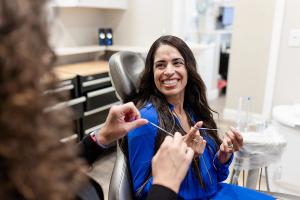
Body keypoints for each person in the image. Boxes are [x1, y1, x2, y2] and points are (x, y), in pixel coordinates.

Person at [0, 1, 194, 199]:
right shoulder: (147, 118)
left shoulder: (19, 153)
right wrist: (165, 185)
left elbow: (49, 170)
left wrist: (99, 138)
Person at [127, 35, 275, 199]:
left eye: (177, 63)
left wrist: (222, 157)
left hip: (215, 192)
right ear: (152, 73)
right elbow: (141, 193)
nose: (169, 71)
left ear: (188, 69)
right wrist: (182, 159)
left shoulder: (194, 111)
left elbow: (215, 178)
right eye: (160, 65)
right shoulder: (145, 121)